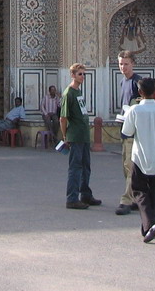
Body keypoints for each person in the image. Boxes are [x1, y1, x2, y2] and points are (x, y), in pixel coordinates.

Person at [121, 78, 155, 242]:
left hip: (140, 155)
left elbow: (127, 131)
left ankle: (152, 222)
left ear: (140, 93)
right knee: (152, 191)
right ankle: (147, 227)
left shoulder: (135, 110)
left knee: (139, 191)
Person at [60, 63, 102, 210]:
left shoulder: (78, 92)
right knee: (75, 167)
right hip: (75, 136)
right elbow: (63, 118)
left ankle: (85, 194)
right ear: (72, 75)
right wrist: (65, 136)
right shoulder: (68, 93)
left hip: (83, 136)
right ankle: (72, 198)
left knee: (85, 167)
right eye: (80, 74)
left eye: (84, 74)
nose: (82, 77)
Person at [115, 50, 143, 215]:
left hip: (134, 131)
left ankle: (126, 200)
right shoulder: (122, 82)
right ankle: (135, 198)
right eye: (120, 64)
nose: (123, 67)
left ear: (133, 63)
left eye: (126, 64)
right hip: (125, 129)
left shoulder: (137, 82)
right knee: (126, 168)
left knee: (130, 166)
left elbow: (140, 107)